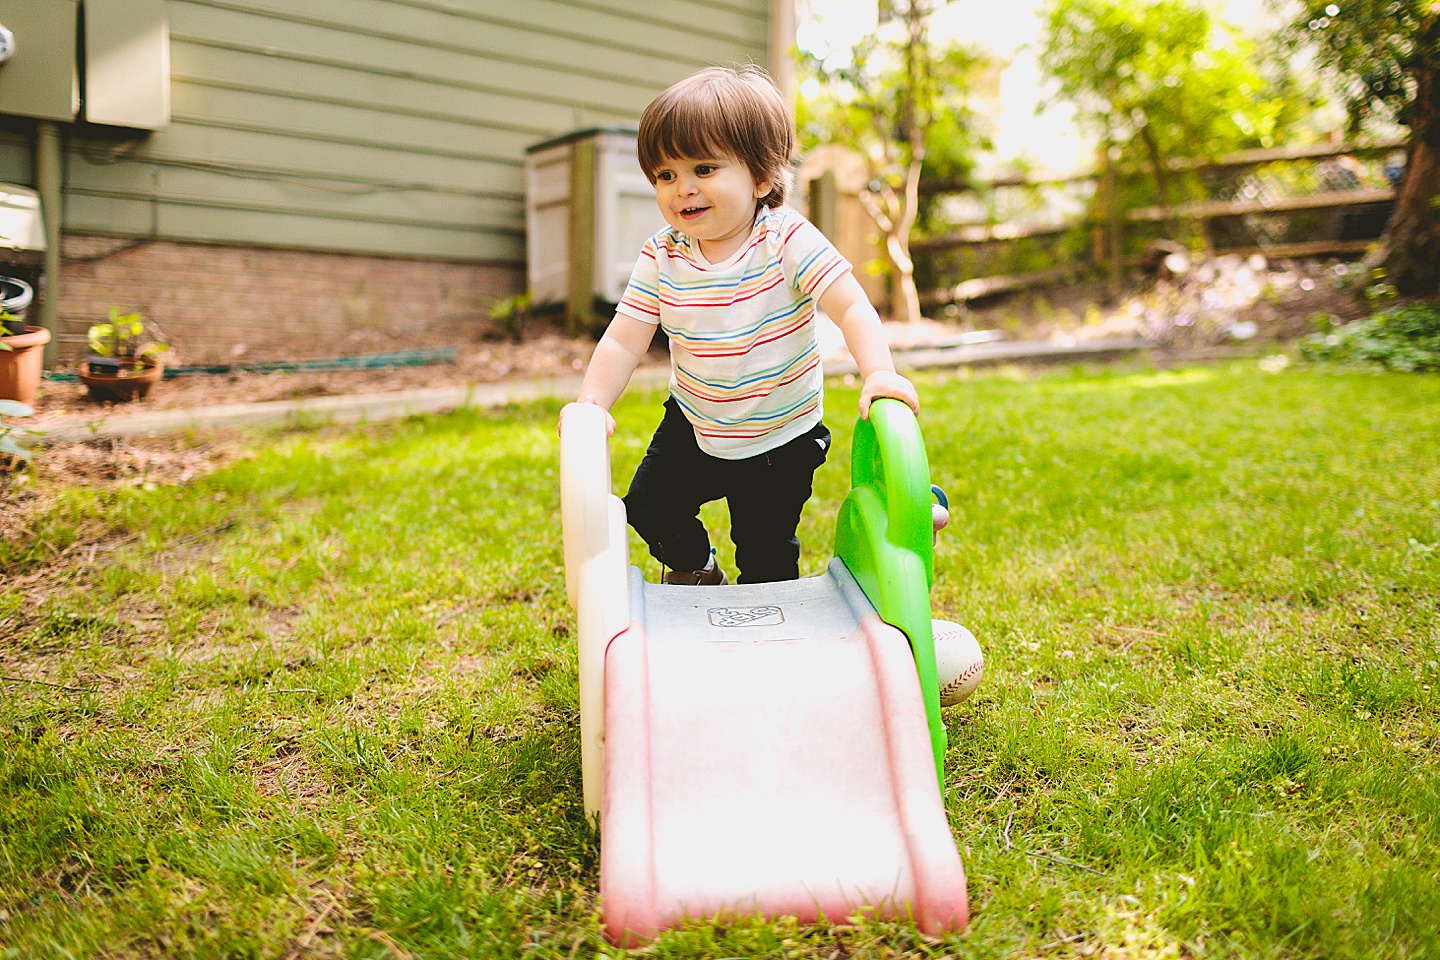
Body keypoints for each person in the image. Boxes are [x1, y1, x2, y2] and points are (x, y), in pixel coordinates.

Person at [561, 65, 918, 586]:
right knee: (648, 505)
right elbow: (623, 338)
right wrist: (592, 403)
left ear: (760, 177)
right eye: (666, 175)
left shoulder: (785, 240)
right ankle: (696, 568)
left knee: (765, 555)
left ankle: (766, 624)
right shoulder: (662, 254)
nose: (682, 189)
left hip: (780, 435)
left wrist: (878, 373)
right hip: (696, 421)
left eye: (703, 169)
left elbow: (851, 307)